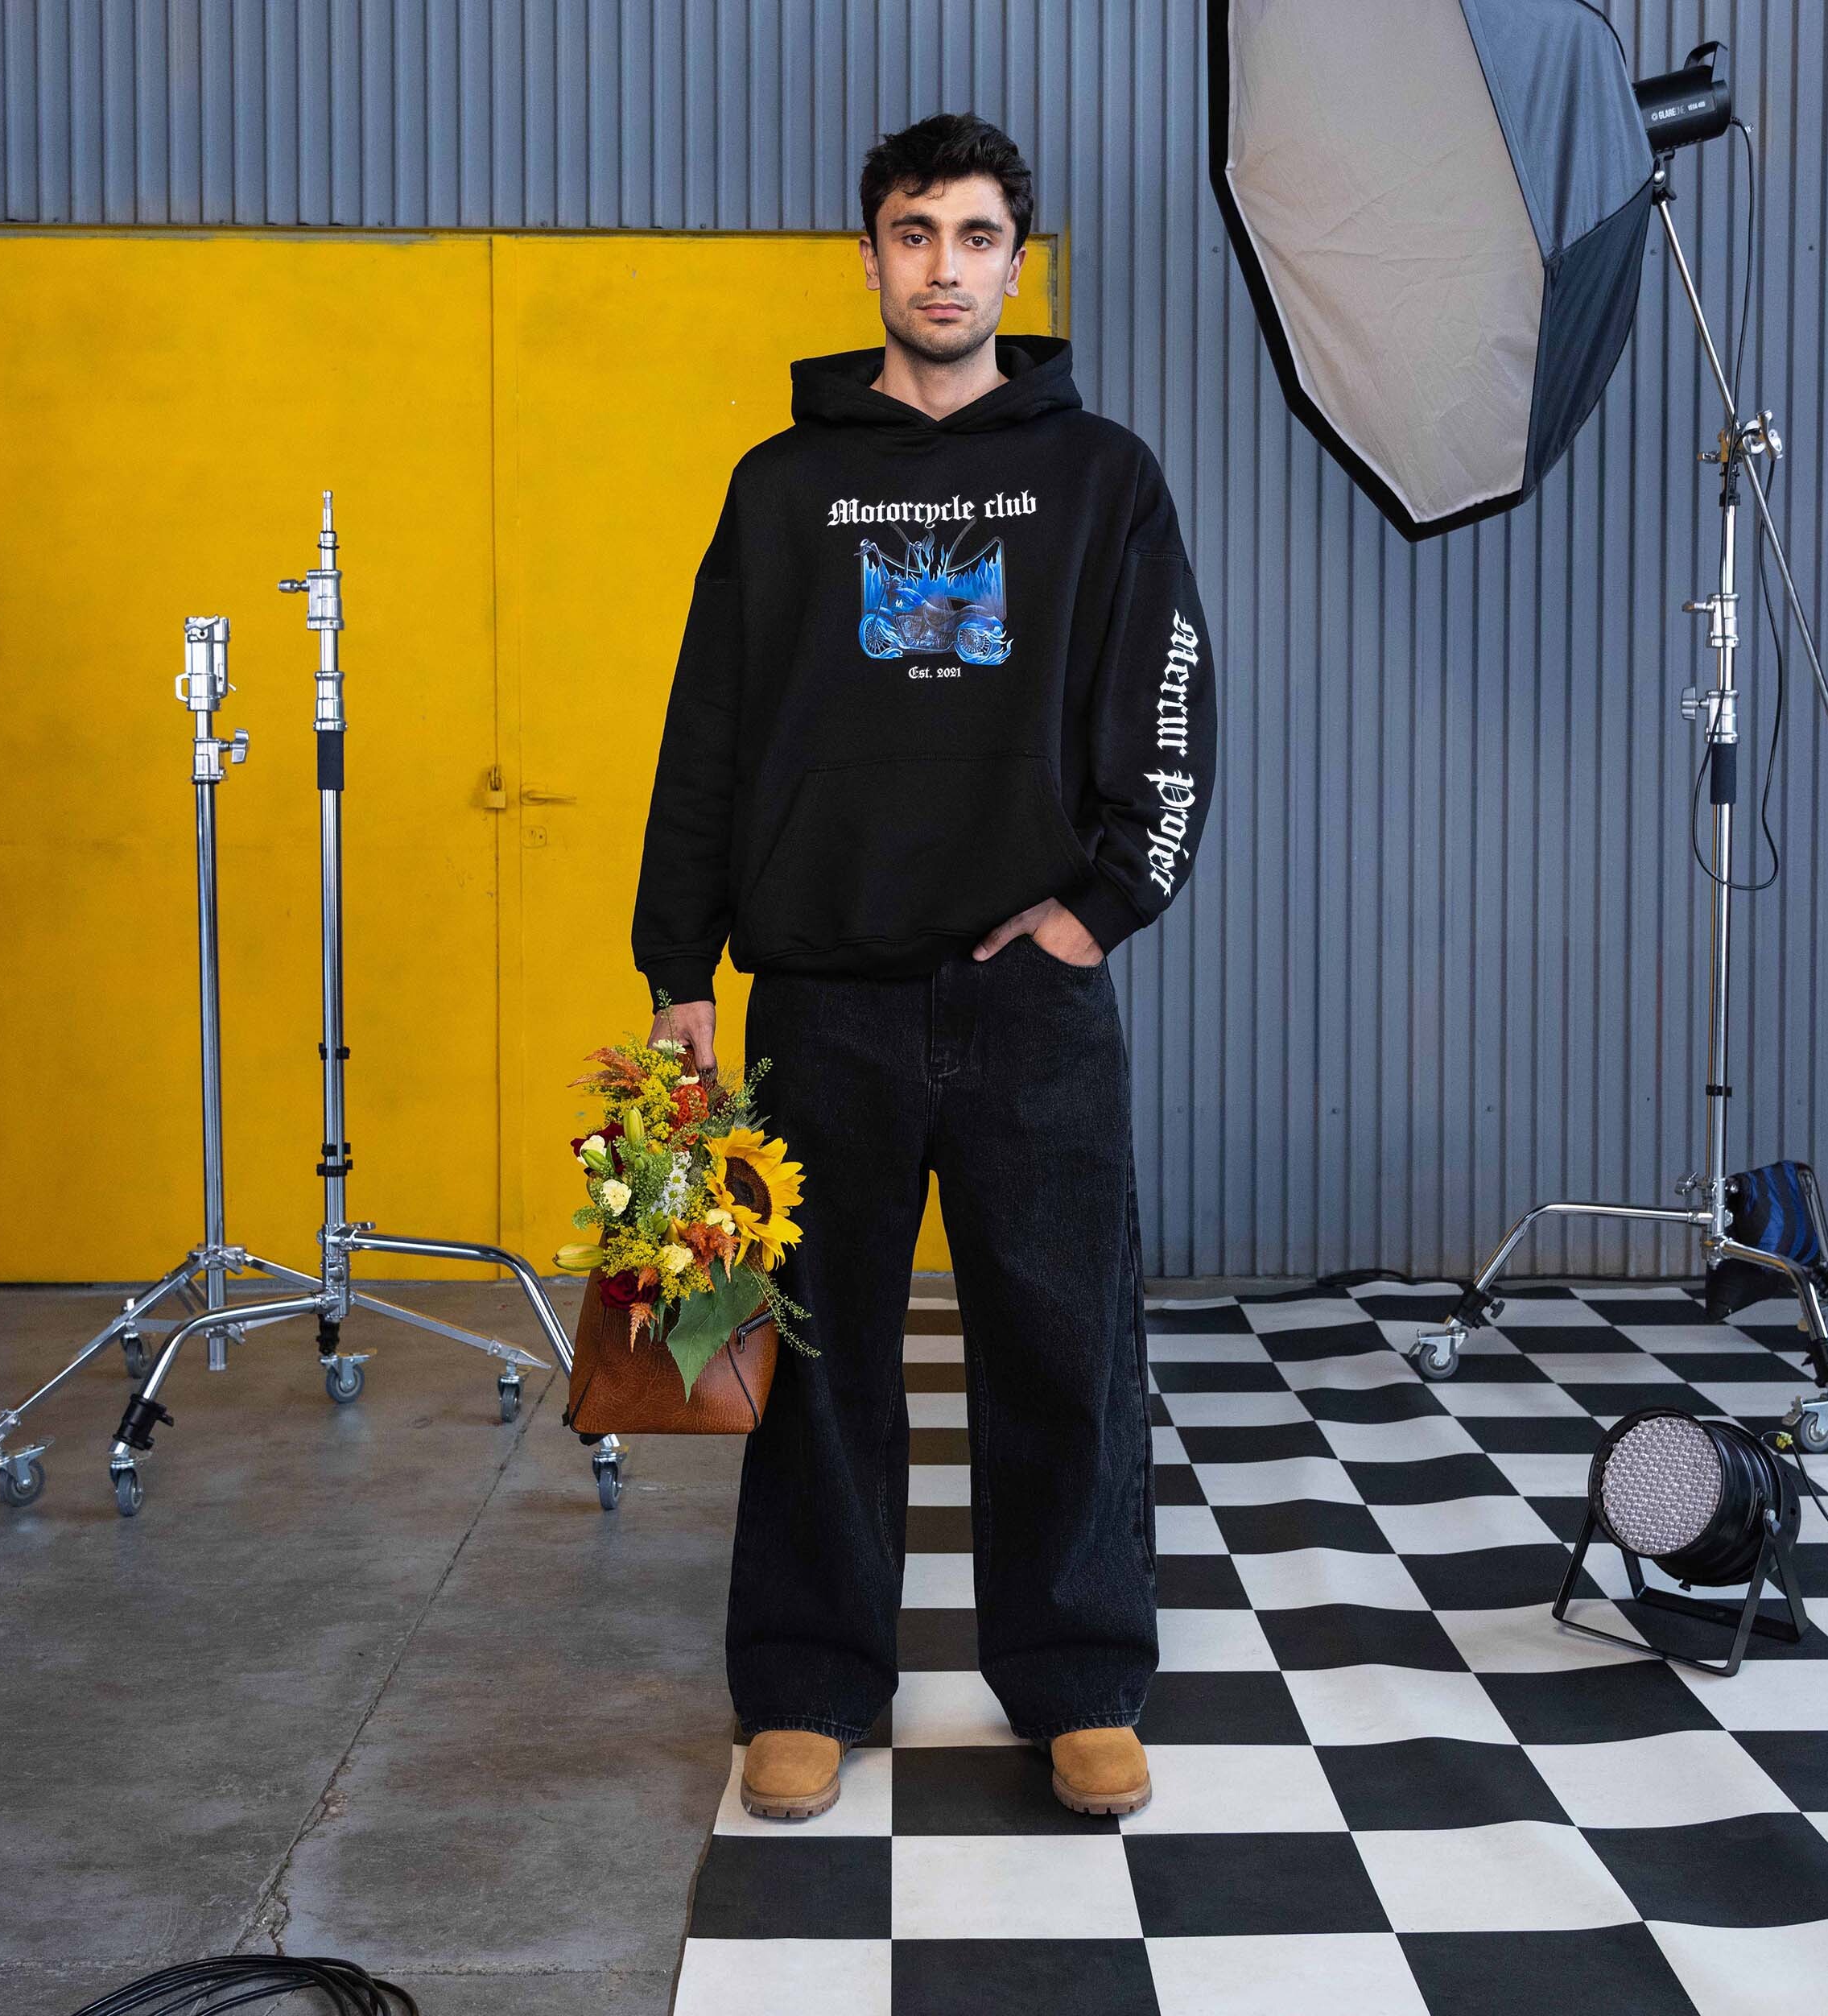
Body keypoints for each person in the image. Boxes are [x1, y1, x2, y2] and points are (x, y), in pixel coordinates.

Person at [629, 109, 1216, 1822]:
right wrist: (678, 964)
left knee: (1063, 1346)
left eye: (973, 236)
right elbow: (706, 735)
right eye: (913, 232)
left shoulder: (1102, 476)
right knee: (819, 1360)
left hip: (1032, 1001)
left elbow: (1170, 706)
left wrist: (1100, 910)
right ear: (870, 255)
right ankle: (808, 1683)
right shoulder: (781, 486)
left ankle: (1079, 1681)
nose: (942, 267)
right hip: (825, 1001)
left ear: (1014, 265)